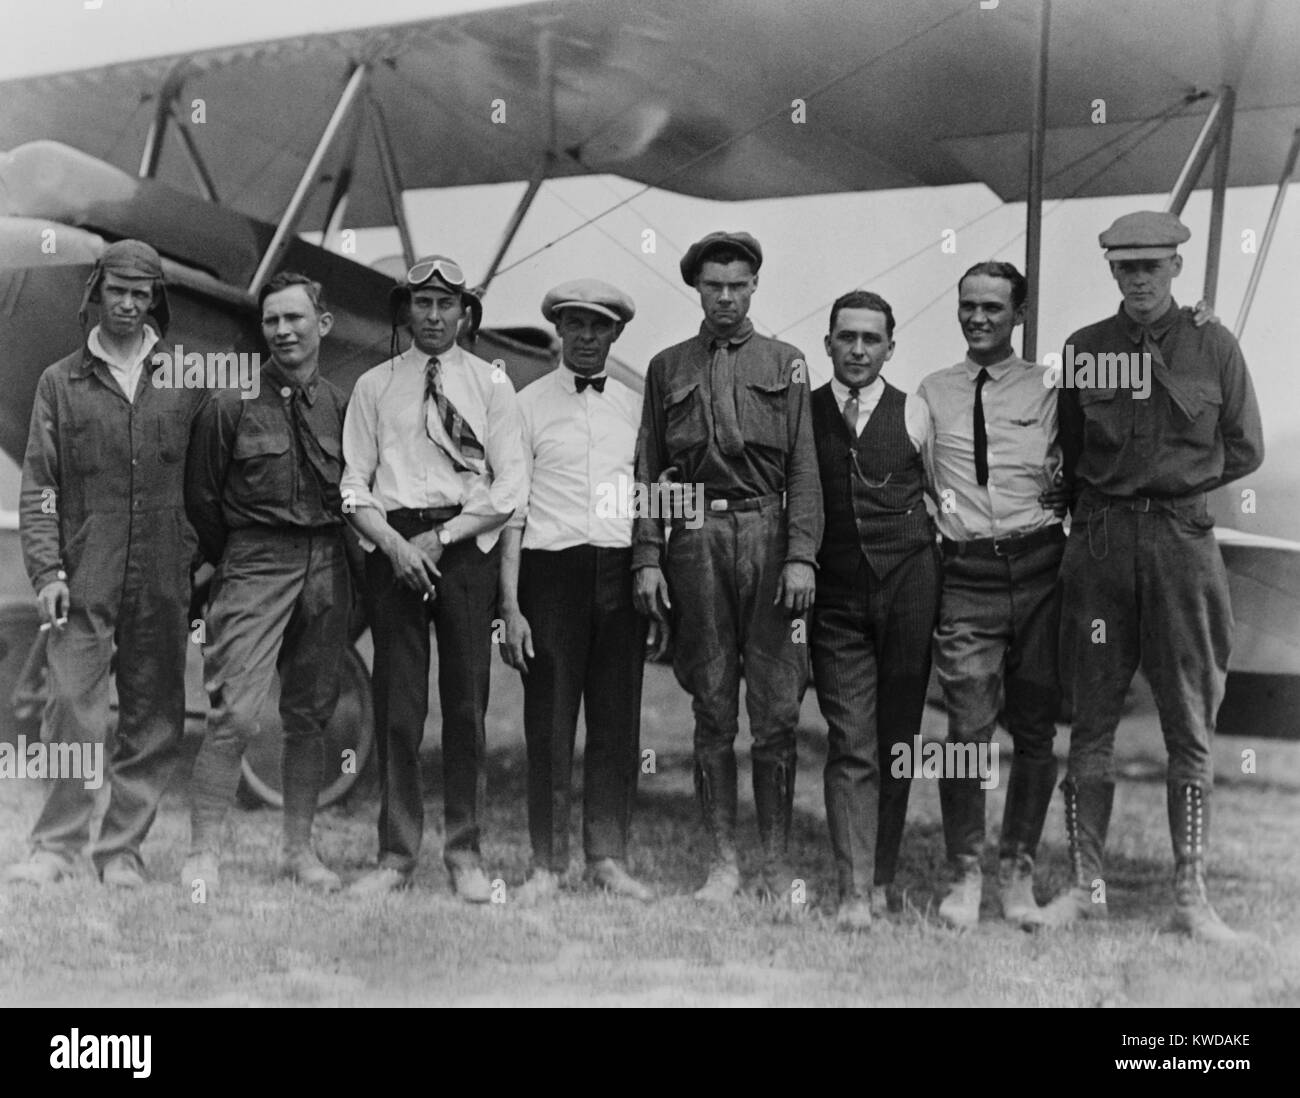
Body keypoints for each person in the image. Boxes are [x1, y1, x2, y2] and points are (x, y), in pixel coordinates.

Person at [1046, 211, 1264, 942]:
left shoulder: (1213, 346)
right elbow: (1071, 448)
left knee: (1190, 723)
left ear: (1176, 267)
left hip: (1181, 543)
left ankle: (1191, 898)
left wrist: (1179, 481)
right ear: (1112, 272)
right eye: (1125, 268)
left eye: (1151, 266)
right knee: (1092, 721)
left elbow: (1245, 445)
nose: (1138, 280)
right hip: (1103, 544)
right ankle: (1086, 889)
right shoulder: (1085, 350)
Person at [633, 231, 822, 905]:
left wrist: (801, 555)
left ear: (754, 287)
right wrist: (650, 556)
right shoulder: (667, 367)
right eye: (715, 285)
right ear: (697, 289)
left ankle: (772, 864)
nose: (727, 297)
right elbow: (652, 468)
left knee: (775, 711)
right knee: (712, 707)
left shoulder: (788, 362)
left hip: (770, 537)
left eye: (739, 285)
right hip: (697, 538)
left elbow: (803, 466)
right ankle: (722, 863)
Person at [7, 239, 200, 889]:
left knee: (153, 712)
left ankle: (122, 849)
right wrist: (47, 573)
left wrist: (197, 561)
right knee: (71, 706)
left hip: (164, 572)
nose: (126, 302)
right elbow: (38, 488)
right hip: (83, 571)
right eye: (115, 289)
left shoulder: (185, 378)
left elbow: (212, 480)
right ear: (96, 292)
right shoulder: (61, 382)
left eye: (139, 292)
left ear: (155, 299)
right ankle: (57, 845)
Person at [342, 255, 526, 899]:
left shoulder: (492, 385)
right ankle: (394, 856)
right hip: (395, 549)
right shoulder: (373, 387)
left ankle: (466, 856)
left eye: (447, 304)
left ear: (465, 314)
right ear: (405, 311)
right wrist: (394, 544)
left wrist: (442, 537)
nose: (434, 315)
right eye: (421, 304)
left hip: (464, 547)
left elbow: (509, 490)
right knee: (398, 707)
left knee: (467, 707)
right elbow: (352, 486)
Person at [182, 271, 351, 894]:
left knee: (309, 714)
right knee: (236, 713)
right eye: (272, 320)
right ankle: (203, 853)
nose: (282, 331)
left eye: (295, 319)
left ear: (322, 325)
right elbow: (202, 499)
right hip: (253, 564)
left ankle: (299, 851)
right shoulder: (231, 404)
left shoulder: (339, 405)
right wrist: (242, 559)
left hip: (327, 564)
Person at [501, 279, 661, 904]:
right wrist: (511, 605)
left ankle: (608, 857)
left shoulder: (635, 406)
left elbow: (651, 498)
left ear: (616, 333)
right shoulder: (526, 404)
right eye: (575, 326)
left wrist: (654, 573)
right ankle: (547, 863)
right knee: (549, 723)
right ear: (558, 333)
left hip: (621, 572)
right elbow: (511, 509)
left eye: (599, 327)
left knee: (617, 723)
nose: (587, 338)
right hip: (549, 573)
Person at [917, 261, 1066, 929]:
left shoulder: (1052, 388)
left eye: (994, 308)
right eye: (968, 306)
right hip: (967, 576)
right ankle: (965, 874)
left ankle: (1018, 873)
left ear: (1019, 315)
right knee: (965, 731)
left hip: (1040, 569)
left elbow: (1094, 455)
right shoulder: (933, 390)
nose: (979, 318)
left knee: (1035, 728)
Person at [809, 291, 939, 930]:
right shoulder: (802, 415)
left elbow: (947, 499)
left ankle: (883, 876)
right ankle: (853, 892)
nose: (858, 349)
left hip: (909, 590)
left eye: (871, 339)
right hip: (834, 601)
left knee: (898, 743)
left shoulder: (916, 413)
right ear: (827, 342)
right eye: (846, 337)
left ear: (890, 346)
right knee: (850, 740)